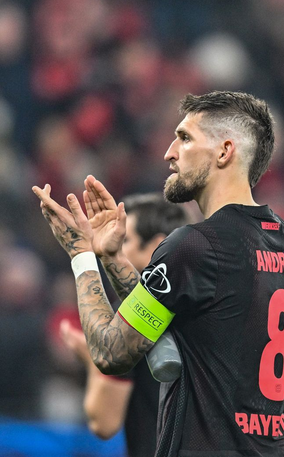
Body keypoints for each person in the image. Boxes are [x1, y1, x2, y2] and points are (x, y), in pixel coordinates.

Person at [33, 91, 284, 457]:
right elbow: (176, 320)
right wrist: (111, 258)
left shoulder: (195, 245)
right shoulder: (283, 238)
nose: (169, 153)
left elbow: (110, 352)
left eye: (185, 138)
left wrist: (80, 255)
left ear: (224, 152)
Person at [59, 193, 188, 456]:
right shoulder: (204, 299)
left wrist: (93, 359)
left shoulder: (133, 315)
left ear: (157, 245)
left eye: (125, 240)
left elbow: (104, 423)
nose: (114, 247)